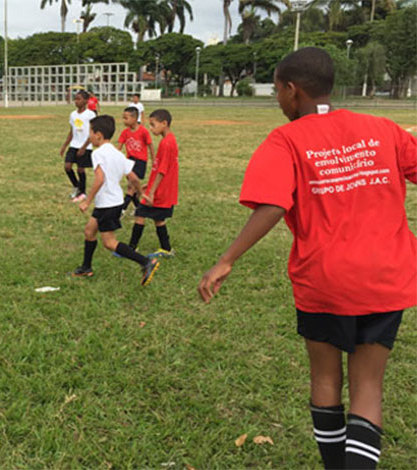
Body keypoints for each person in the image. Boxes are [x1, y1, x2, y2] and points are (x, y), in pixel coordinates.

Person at [198, 47, 416, 469]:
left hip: (327, 279)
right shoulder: (382, 128)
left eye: (278, 91)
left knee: (326, 378)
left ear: (292, 90)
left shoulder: (287, 139)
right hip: (389, 275)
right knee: (368, 388)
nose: (278, 100)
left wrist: (226, 259)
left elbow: (273, 205)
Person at [73, 114, 160, 286]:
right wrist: (141, 193)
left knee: (109, 242)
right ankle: (86, 268)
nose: (89, 136)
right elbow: (133, 178)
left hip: (108, 204)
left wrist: (87, 200)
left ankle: (145, 262)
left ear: (98, 135)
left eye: (90, 132)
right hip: (111, 202)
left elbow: (99, 179)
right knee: (90, 231)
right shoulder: (118, 154)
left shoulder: (97, 154)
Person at [128, 109, 177, 258]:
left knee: (140, 214)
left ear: (164, 123)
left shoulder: (167, 143)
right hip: (160, 187)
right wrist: (148, 186)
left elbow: (162, 170)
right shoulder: (168, 140)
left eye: (153, 124)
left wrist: (152, 191)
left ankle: (131, 249)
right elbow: (159, 168)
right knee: (158, 219)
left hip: (160, 190)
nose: (150, 128)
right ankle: (166, 249)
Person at [117, 107, 153, 215]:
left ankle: (122, 210)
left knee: (131, 187)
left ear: (134, 118)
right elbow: (119, 147)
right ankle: (139, 208)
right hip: (129, 161)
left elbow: (150, 145)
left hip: (140, 161)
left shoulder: (143, 131)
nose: (124, 121)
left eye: (126, 118)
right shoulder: (125, 133)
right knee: (133, 188)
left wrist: (154, 159)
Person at [59, 90, 94, 202]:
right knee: (67, 166)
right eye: (75, 99)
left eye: (79, 99)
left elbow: (92, 133)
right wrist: (65, 146)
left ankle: (82, 192)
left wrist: (84, 147)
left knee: (80, 169)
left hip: (85, 146)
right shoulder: (73, 115)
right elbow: (72, 131)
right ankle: (76, 186)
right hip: (74, 144)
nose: (76, 101)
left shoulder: (90, 114)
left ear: (85, 101)